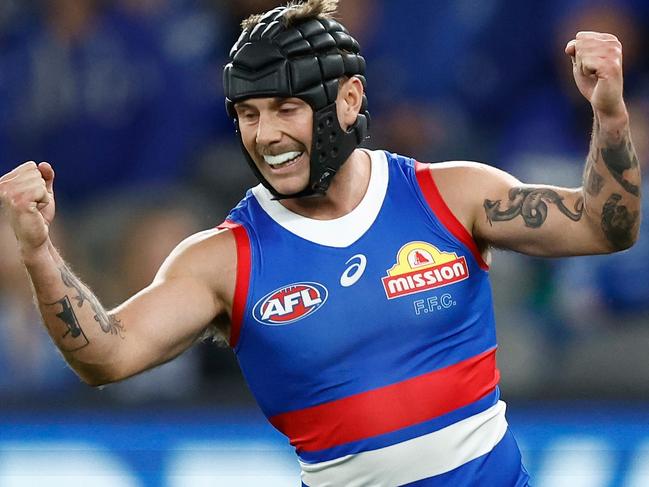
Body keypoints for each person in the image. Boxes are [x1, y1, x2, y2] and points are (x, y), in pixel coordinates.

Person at [0, 0, 642, 485]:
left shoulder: (450, 195)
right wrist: (38, 251)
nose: (265, 134)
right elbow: (106, 356)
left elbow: (604, 228)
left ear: (348, 99)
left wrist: (609, 115)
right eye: (248, 115)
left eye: (285, 108)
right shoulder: (224, 260)